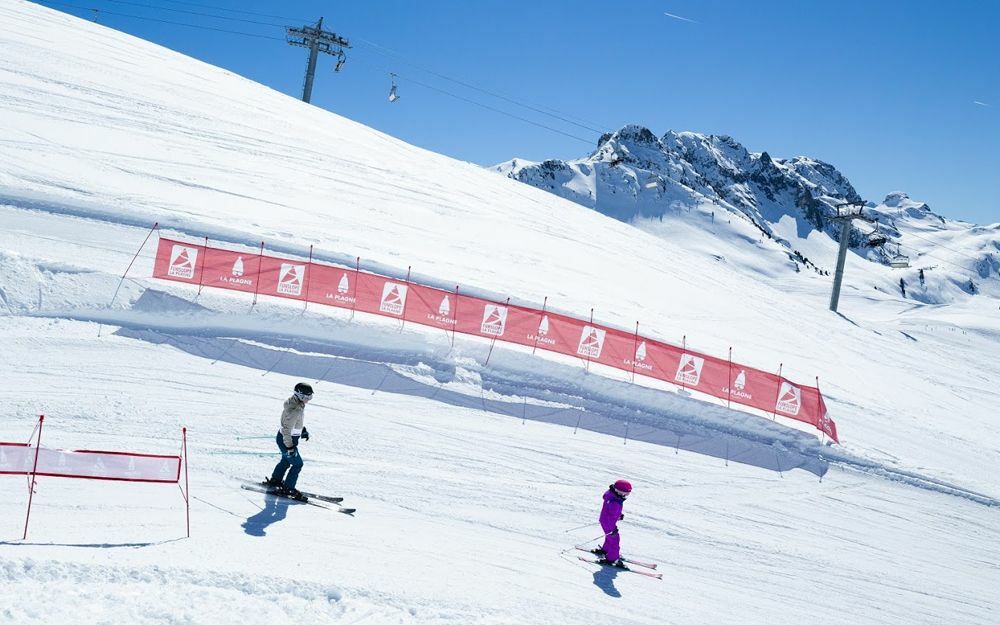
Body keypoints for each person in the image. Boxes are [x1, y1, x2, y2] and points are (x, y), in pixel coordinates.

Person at [265, 382, 313, 499]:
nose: (308, 400)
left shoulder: (294, 403)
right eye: (307, 397)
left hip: (285, 438)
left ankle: (276, 480)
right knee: (297, 464)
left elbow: (292, 422)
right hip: (287, 440)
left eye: (310, 397)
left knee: (286, 461)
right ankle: (288, 489)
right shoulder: (295, 409)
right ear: (300, 396)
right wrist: (290, 447)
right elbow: (287, 429)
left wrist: (302, 430)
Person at [591, 479, 632, 567]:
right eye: (625, 493)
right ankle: (612, 558)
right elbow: (611, 514)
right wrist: (613, 529)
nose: (626, 495)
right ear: (619, 491)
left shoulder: (611, 495)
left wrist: (618, 515)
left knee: (609, 537)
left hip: (605, 520)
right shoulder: (615, 502)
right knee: (615, 540)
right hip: (609, 523)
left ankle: (606, 550)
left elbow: (611, 512)